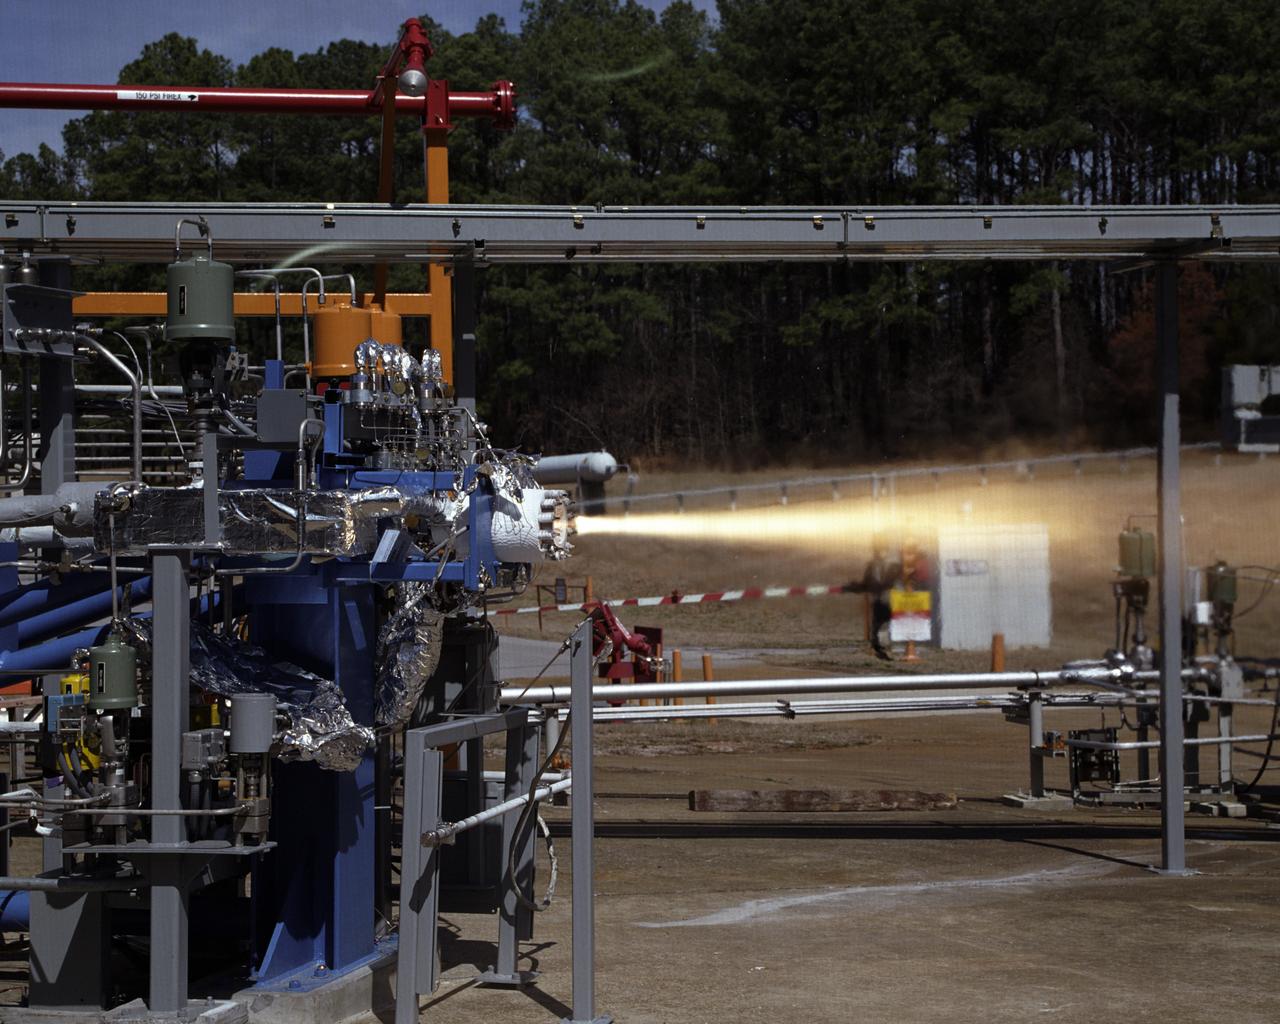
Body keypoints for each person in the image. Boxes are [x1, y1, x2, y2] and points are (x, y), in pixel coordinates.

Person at [844, 534, 901, 659]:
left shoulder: (895, 565)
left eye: (882, 548)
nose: (880, 552)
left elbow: (890, 582)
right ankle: (881, 651)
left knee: (885, 626)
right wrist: (853, 587)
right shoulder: (873, 565)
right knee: (877, 627)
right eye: (878, 549)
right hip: (878, 600)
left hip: (891, 600)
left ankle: (886, 650)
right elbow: (867, 584)